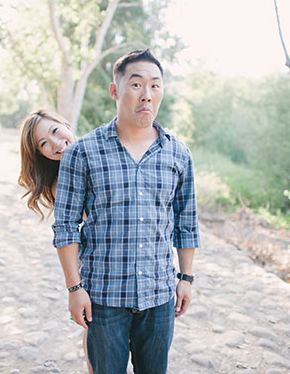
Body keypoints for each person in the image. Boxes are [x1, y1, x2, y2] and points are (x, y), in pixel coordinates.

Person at [52, 49, 200, 373]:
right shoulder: (83, 152)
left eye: (155, 86)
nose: (147, 95)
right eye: (136, 85)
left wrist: (186, 278)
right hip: (103, 298)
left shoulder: (178, 153)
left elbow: (186, 223)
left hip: (159, 297)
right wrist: (74, 289)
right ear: (115, 90)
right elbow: (64, 225)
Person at [18, 109, 92, 374]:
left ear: (63, 123)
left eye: (54, 131)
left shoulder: (101, 148)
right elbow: (68, 231)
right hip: (97, 264)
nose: (56, 144)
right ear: (41, 154)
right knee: (97, 332)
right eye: (44, 144)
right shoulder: (60, 183)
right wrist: (74, 288)